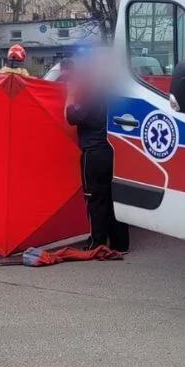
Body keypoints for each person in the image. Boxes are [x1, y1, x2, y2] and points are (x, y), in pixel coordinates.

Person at [65, 56, 129, 252]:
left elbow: (70, 116)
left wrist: (71, 93)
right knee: (113, 197)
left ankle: (97, 242)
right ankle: (121, 243)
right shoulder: (116, 94)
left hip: (93, 153)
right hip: (114, 152)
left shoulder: (90, 96)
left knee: (95, 199)